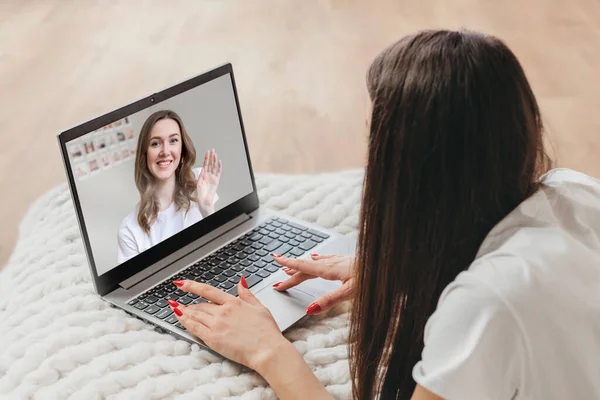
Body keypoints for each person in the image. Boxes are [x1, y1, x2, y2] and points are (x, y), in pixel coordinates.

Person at [166, 30, 600, 399]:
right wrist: (394, 274)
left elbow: (498, 308)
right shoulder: (573, 189)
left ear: (413, 171)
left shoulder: (484, 306)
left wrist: (268, 351)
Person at [117, 110, 222, 264]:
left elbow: (221, 257)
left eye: (173, 141)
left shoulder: (200, 186)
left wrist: (208, 211)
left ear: (182, 149)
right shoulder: (129, 230)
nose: (165, 151)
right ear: (145, 154)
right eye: (155, 143)